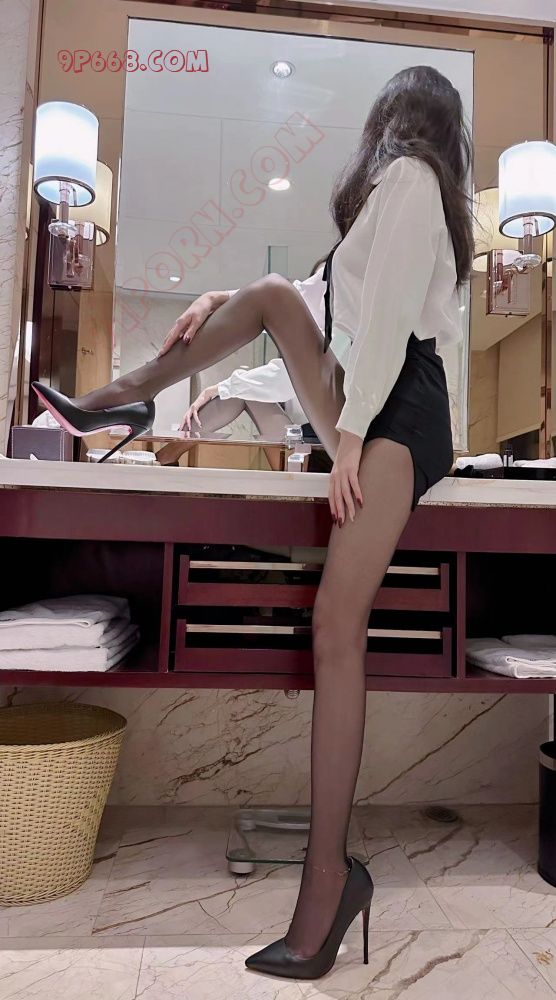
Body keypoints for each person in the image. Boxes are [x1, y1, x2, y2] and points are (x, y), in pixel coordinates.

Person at [33, 65, 473, 980]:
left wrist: (350, 438)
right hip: (373, 403)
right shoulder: (383, 208)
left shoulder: (413, 177)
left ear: (396, 119)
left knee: (336, 626)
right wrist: (218, 307)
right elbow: (312, 308)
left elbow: (391, 322)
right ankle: (122, 400)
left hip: (402, 410)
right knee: (269, 291)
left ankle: (329, 881)